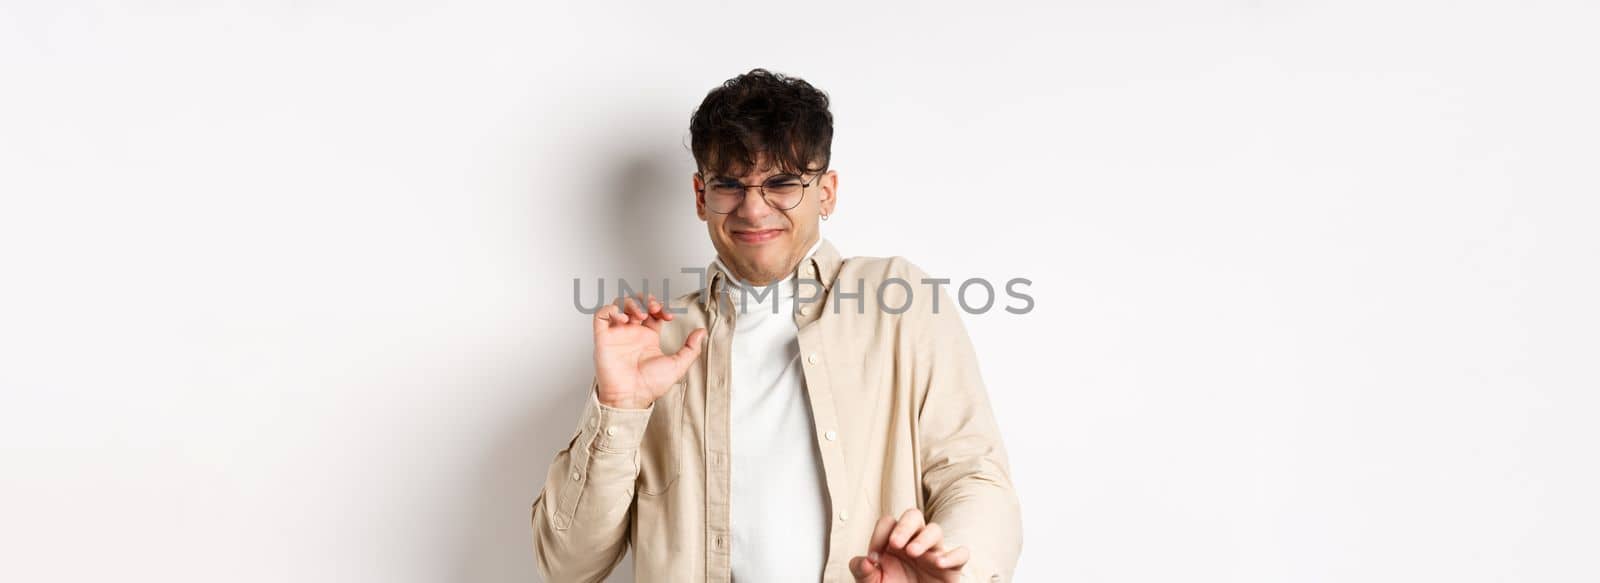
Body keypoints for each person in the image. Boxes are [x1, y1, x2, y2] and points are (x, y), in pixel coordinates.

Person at [531, 68, 1022, 583]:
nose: (752, 207)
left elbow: (975, 477)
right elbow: (567, 565)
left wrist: (950, 564)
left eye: (782, 183)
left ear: (827, 193)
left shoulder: (899, 303)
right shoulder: (656, 343)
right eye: (729, 186)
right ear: (701, 197)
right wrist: (619, 409)